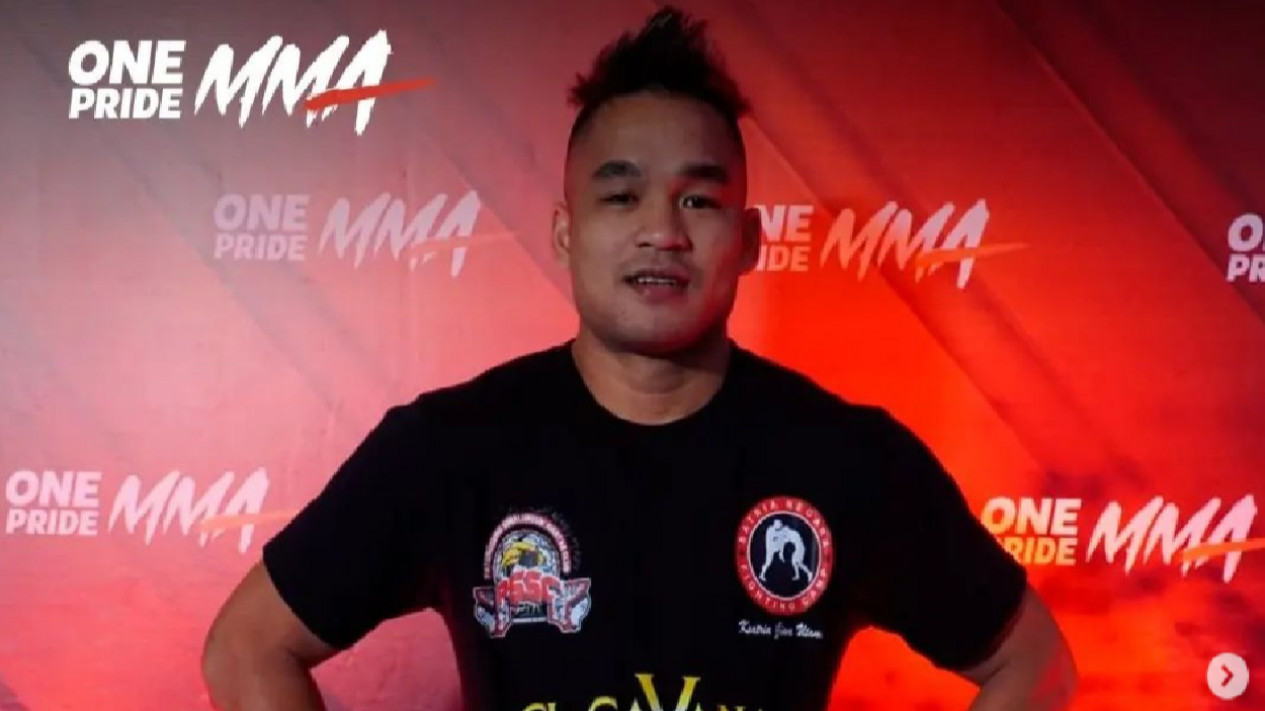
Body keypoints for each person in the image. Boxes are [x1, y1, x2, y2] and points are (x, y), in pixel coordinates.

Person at [200, 7, 1078, 711]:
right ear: (564, 232)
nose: (662, 230)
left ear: (748, 240)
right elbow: (246, 647)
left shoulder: (849, 459)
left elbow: (1034, 666)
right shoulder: (452, 447)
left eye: (697, 200)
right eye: (621, 196)